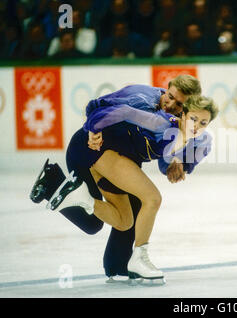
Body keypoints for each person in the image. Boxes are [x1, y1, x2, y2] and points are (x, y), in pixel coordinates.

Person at [30, 75, 214, 280]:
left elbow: (165, 158)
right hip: (93, 147)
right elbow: (97, 105)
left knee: (111, 222)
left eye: (179, 104)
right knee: (149, 199)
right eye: (170, 97)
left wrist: (177, 163)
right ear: (167, 88)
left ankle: (117, 264)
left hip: (118, 156)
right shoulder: (141, 99)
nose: (171, 105)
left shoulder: (180, 127)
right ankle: (136, 260)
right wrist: (93, 129)